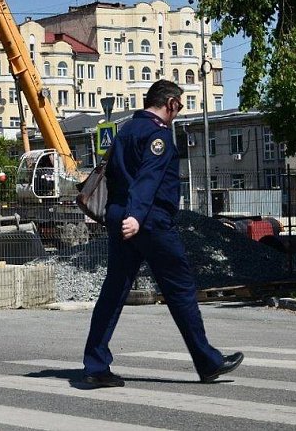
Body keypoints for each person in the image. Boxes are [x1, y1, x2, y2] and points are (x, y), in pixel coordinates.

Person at [82, 80, 243, 387]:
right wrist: (136, 217)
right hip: (150, 222)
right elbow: (148, 178)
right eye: (179, 107)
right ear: (170, 103)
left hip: (121, 220)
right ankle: (208, 362)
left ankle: (95, 365)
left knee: (113, 293)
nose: (178, 113)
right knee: (180, 290)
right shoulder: (159, 135)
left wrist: (123, 217)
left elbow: (115, 177)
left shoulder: (124, 130)